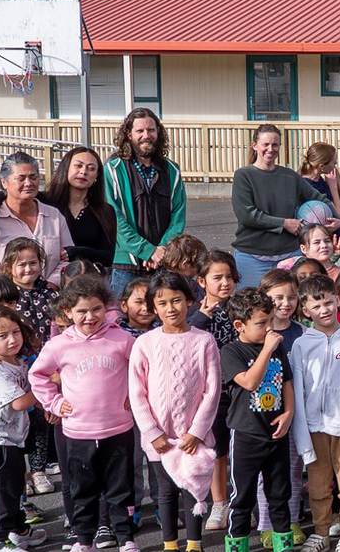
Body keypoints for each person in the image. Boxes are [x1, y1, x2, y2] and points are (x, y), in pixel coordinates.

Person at [29, 277, 140, 551]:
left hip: (118, 429)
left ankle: (125, 538)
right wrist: (54, 403)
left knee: (120, 489)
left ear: (106, 308)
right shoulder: (59, 345)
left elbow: (141, 368)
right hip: (78, 433)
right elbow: (38, 374)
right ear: (67, 312)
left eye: (97, 309)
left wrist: (133, 394)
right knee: (83, 491)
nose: (90, 317)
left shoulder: (121, 338)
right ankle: (84, 540)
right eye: (81, 311)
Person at [126, 273, 221, 552]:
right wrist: (152, 433)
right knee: (165, 493)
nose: (171, 308)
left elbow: (212, 391)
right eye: (163, 303)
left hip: (194, 436)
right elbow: (137, 392)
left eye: (177, 300)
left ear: (189, 301)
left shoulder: (204, 341)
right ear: (154, 307)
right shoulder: (145, 343)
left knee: (194, 488)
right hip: (160, 439)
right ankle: (169, 544)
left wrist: (197, 432)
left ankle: (194, 543)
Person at [290, 275, 340, 552]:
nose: (324, 310)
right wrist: (302, 437)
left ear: (337, 301)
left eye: (328, 302)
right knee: (318, 488)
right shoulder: (301, 344)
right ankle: (321, 532)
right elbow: (298, 396)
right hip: (314, 429)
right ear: (305, 310)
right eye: (316, 306)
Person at [0, 304, 50, 552]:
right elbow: (21, 402)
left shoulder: (18, 362)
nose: (12, 340)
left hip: (10, 441)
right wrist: (45, 388)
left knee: (13, 489)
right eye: (2, 336)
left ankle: (19, 531)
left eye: (15, 332)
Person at [233, 124, 335, 286]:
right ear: (255, 146)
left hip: (289, 257)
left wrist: (335, 218)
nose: (270, 149)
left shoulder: (290, 176)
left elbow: (320, 198)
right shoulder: (243, 176)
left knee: (294, 305)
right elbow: (247, 215)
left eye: (275, 144)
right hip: (252, 257)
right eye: (265, 144)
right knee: (252, 307)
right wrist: (283, 224)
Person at [104, 108, 188, 298]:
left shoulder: (172, 170)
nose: (146, 136)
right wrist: (147, 250)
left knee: (164, 322)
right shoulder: (113, 170)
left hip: (163, 263)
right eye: (139, 131)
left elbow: (178, 215)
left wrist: (162, 250)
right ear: (128, 134)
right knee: (124, 323)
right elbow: (113, 217)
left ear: (158, 132)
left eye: (151, 130)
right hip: (126, 265)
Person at [0, 153, 72, 285]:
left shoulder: (54, 216)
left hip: (52, 300)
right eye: (21, 178)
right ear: (4, 182)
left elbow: (68, 258)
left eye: (33, 177)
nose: (28, 183)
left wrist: (50, 286)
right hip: (7, 301)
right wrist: (16, 295)